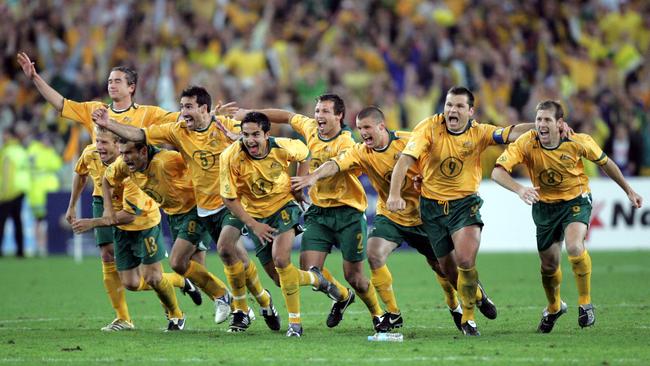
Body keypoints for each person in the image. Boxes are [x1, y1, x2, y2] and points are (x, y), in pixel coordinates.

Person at [93, 86, 274, 333]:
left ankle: (240, 308)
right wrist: (109, 123)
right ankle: (262, 301)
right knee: (201, 260)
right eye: (181, 107)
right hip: (203, 207)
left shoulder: (224, 126)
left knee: (226, 250)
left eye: (188, 107)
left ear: (204, 108)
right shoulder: (177, 131)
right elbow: (139, 133)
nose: (183, 112)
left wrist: (242, 141)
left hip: (231, 201)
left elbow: (257, 141)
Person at [292, 106, 479, 332]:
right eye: (360, 128)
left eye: (367, 127)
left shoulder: (408, 141)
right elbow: (335, 164)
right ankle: (392, 312)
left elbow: (438, 158)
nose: (363, 133)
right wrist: (312, 176)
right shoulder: (361, 151)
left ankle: (460, 302)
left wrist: (425, 177)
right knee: (374, 253)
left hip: (424, 216)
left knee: (443, 268)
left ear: (381, 126)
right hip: (390, 216)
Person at [387, 86, 531, 336]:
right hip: (431, 208)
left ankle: (468, 319)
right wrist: (394, 193)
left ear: (470, 111)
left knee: (465, 260)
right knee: (448, 269)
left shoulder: (480, 132)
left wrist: (542, 126)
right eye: (448, 105)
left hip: (464, 204)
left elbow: (511, 133)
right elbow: (405, 161)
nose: (452, 110)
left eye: (459, 106)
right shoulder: (429, 128)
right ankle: (478, 294)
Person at [491, 100, 643, 333]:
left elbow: (606, 163)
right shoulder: (526, 142)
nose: (541, 125)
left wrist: (629, 190)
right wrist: (520, 189)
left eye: (547, 120)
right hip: (544, 207)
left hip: (576, 200)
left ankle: (585, 303)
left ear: (559, 123)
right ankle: (554, 307)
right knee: (549, 265)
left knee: (573, 246)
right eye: (539, 119)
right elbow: (497, 172)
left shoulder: (578, 141)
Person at [238, 94, 384, 330]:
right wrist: (250, 113)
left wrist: (310, 177)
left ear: (339, 115)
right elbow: (286, 116)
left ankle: (378, 315)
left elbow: (333, 166)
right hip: (319, 212)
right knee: (309, 269)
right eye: (317, 111)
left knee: (355, 276)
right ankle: (342, 296)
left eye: (325, 111)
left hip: (348, 213)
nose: (318, 116)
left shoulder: (347, 142)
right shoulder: (309, 127)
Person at [67, 125, 200, 331]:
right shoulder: (90, 153)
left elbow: (129, 215)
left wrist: (92, 222)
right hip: (105, 202)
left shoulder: (133, 170)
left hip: (141, 218)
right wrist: (72, 206)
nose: (99, 147)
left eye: (104, 143)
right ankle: (123, 318)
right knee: (118, 269)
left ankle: (176, 306)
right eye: (97, 141)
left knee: (153, 276)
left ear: (118, 143)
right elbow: (81, 172)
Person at [220, 111, 339, 337]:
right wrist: (253, 224)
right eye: (245, 135)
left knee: (281, 259)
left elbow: (305, 154)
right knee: (278, 279)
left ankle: (295, 324)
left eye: (256, 134)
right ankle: (318, 279)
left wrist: (299, 186)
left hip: (283, 206)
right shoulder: (230, 156)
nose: (250, 140)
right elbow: (228, 197)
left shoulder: (284, 146)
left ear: (267, 134)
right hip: (254, 213)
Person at [16, 53, 179, 140]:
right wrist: (35, 78)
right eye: (109, 82)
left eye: (117, 81)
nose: (112, 85)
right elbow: (61, 104)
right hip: (102, 196)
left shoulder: (148, 113)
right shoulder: (95, 109)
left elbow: (180, 119)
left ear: (131, 87)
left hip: (136, 198)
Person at [0, 126, 30, 258]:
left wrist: (4, 193)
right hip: (21, 190)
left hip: (10, 191)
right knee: (18, 221)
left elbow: (7, 175)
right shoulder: (21, 150)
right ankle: (20, 251)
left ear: (9, 136)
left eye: (5, 135)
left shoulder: (8, 152)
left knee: (2, 221)